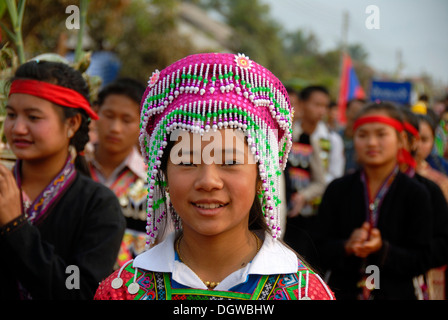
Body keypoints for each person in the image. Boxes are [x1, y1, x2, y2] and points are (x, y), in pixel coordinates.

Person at [94, 53, 334, 300]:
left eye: (229, 162)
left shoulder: (307, 295)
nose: (208, 181)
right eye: (187, 161)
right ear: (163, 173)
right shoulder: (121, 291)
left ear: (261, 175)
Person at [0, 60, 125, 299]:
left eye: (33, 117)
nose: (17, 128)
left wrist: (15, 227)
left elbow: (80, 291)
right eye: (11, 114)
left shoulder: (98, 206)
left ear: (71, 123)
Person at [316, 101, 432, 300]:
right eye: (363, 135)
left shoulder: (416, 193)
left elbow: (424, 257)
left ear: (402, 140)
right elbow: (317, 247)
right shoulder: (338, 189)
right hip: (342, 291)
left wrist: (383, 249)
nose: (371, 142)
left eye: (381, 134)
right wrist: (346, 246)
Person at [88, 78, 148, 267]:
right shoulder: (71, 168)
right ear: (96, 113)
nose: (115, 128)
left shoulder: (155, 183)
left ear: (142, 123)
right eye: (109, 115)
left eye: (127, 120)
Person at [283, 85, 343, 270]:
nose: (321, 111)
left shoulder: (319, 139)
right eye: (316, 105)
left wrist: (303, 196)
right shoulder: (275, 135)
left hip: (306, 215)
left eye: (324, 106)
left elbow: (326, 179)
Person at [401, 109, 448, 300]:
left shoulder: (440, 182)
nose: (417, 145)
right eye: (412, 137)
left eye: (425, 139)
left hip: (430, 268)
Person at [338, 98, 366, 175]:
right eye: (353, 111)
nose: (355, 116)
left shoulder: (366, 143)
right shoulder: (334, 136)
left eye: (359, 112)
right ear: (346, 111)